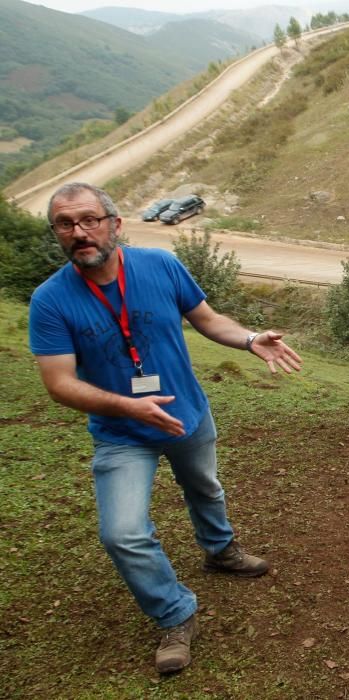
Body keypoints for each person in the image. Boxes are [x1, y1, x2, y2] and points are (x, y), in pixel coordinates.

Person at [28, 182, 303, 674]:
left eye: (89, 219)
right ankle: (175, 614)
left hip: (188, 416)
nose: (79, 232)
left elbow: (207, 319)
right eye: (66, 224)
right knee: (122, 533)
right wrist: (128, 408)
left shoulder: (160, 265)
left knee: (205, 487)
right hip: (121, 434)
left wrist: (249, 339)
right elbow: (59, 383)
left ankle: (220, 550)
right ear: (57, 234)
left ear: (115, 224)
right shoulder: (50, 301)